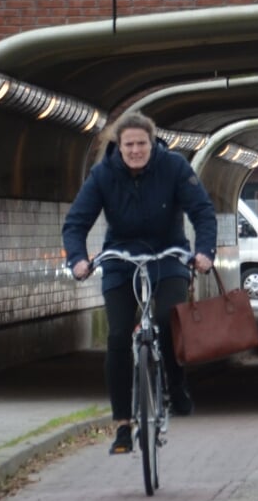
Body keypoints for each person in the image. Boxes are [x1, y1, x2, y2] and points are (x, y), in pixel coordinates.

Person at [63, 113, 217, 455]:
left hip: (168, 256)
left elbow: (202, 212)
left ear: (152, 143)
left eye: (141, 144)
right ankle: (122, 424)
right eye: (129, 144)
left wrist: (204, 252)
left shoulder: (174, 167)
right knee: (117, 336)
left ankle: (176, 385)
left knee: (167, 319)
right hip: (120, 260)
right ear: (119, 146)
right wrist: (77, 260)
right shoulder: (103, 175)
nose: (135, 150)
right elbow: (75, 222)